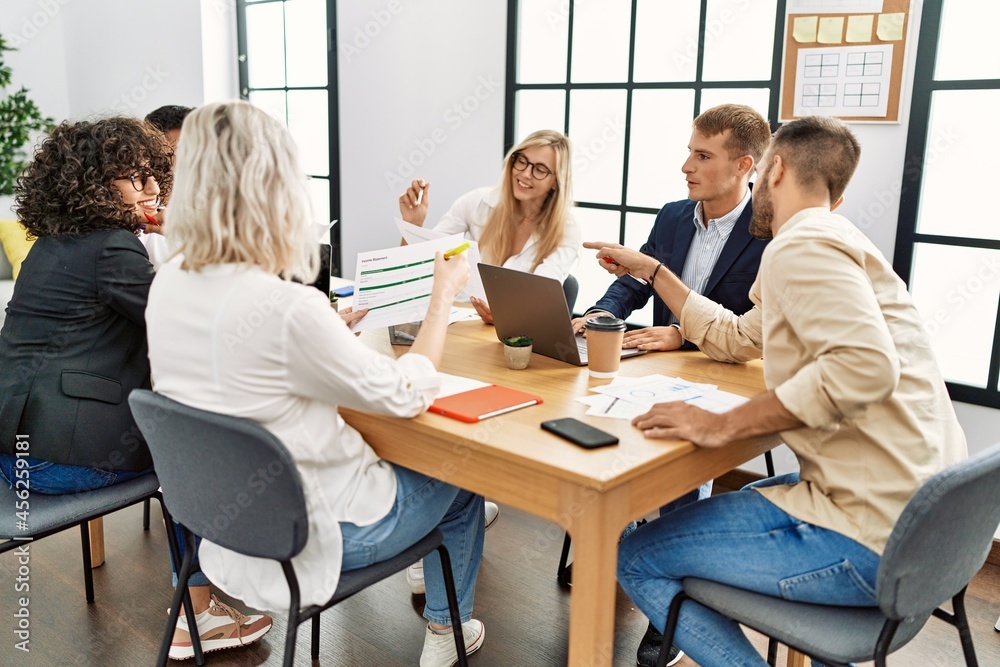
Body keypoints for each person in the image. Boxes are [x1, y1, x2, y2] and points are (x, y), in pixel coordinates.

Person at [589, 116, 967, 667]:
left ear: (775, 169)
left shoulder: (801, 245)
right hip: (933, 523)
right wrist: (654, 271)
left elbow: (863, 367)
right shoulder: (838, 240)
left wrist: (718, 425)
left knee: (640, 555)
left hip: (871, 536)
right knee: (726, 511)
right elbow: (736, 337)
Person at [145, 101, 487, 667]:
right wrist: (442, 294)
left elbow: (248, 373)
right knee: (467, 477)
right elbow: (405, 396)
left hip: (222, 535)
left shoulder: (170, 284)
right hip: (314, 542)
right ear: (274, 189)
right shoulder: (285, 306)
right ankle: (448, 629)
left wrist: (325, 332)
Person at [0, 117, 273, 662]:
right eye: (135, 178)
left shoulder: (54, 243)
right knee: (190, 452)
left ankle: (202, 600)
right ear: (94, 184)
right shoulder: (110, 246)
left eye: (154, 176)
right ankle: (197, 615)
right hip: (57, 459)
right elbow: (189, 321)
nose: (152, 190)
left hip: (15, 451)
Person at [399, 128, 581, 324]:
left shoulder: (566, 230)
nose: (526, 174)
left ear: (556, 181)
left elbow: (541, 294)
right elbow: (421, 267)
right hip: (463, 323)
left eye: (540, 169)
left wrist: (507, 315)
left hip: (515, 332)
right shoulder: (478, 202)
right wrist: (413, 225)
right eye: (522, 161)